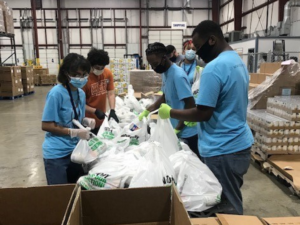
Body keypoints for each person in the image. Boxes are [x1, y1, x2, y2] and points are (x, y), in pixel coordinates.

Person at [158, 20, 254, 215]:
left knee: (223, 206)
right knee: (231, 197)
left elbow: (203, 112)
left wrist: (171, 112)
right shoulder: (237, 62)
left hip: (222, 148)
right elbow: (225, 102)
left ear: (212, 40)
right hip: (239, 143)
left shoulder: (213, 68)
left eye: (198, 47)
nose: (196, 53)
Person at [139, 42, 199, 158]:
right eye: (151, 65)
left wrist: (177, 130)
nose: (154, 68)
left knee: (189, 168)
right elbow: (165, 96)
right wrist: (148, 110)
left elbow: (190, 104)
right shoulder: (165, 72)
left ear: (165, 58)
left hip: (186, 133)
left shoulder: (178, 75)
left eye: (155, 64)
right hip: (174, 128)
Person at [42, 53, 94, 185]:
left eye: (84, 75)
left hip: (75, 151)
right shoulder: (56, 93)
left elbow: (76, 118)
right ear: (66, 73)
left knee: (76, 191)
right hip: (57, 154)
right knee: (60, 197)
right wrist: (73, 132)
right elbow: (46, 125)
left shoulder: (80, 93)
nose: (81, 78)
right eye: (77, 75)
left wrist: (85, 121)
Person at [83, 48, 119, 135]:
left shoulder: (107, 73)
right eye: (97, 67)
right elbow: (79, 104)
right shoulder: (84, 78)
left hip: (102, 120)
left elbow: (110, 93)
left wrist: (112, 110)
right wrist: (94, 111)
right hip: (87, 121)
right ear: (90, 65)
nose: (100, 69)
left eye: (102, 67)